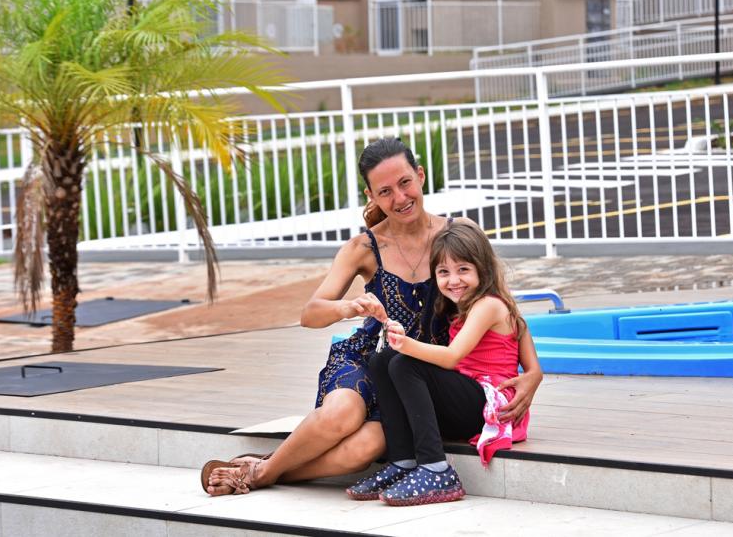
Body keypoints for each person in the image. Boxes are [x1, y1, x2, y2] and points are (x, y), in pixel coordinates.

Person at [203, 137, 543, 495]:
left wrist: (534, 372)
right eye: (385, 191)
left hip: (425, 371)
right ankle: (262, 471)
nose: (399, 198)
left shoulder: (457, 234)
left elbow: (500, 300)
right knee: (341, 415)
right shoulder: (362, 247)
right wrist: (349, 306)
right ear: (371, 196)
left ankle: (264, 470)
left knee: (366, 448)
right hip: (373, 357)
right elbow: (310, 314)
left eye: (405, 183)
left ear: (420, 176)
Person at [346, 222, 533, 507]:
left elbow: (452, 356)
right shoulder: (463, 307)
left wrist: (406, 344)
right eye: (444, 272)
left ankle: (437, 469)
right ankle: (404, 460)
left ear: (482, 268)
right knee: (382, 360)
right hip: (469, 401)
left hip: (491, 407)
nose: (453, 280)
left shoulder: (489, 305)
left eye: (463, 270)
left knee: (405, 364)